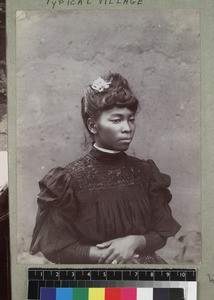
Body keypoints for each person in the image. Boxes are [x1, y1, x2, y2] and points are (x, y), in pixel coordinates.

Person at [30, 72, 181, 264]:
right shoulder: (69, 180)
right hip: (94, 277)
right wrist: (111, 254)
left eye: (131, 119)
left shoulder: (146, 172)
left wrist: (134, 242)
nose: (127, 128)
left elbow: (161, 232)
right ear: (93, 125)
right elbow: (56, 248)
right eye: (117, 120)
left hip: (144, 269)